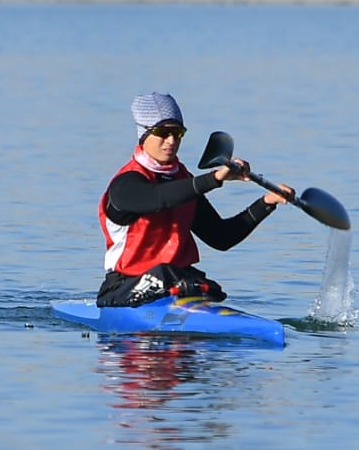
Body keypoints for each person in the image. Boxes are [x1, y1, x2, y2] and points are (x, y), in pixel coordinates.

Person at [96, 92, 294, 308]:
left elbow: (221, 237)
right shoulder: (125, 185)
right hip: (124, 287)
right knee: (167, 276)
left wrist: (267, 202)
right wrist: (216, 178)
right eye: (163, 132)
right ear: (143, 134)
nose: (171, 141)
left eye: (178, 133)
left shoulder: (184, 181)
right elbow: (157, 199)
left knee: (209, 288)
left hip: (174, 281)